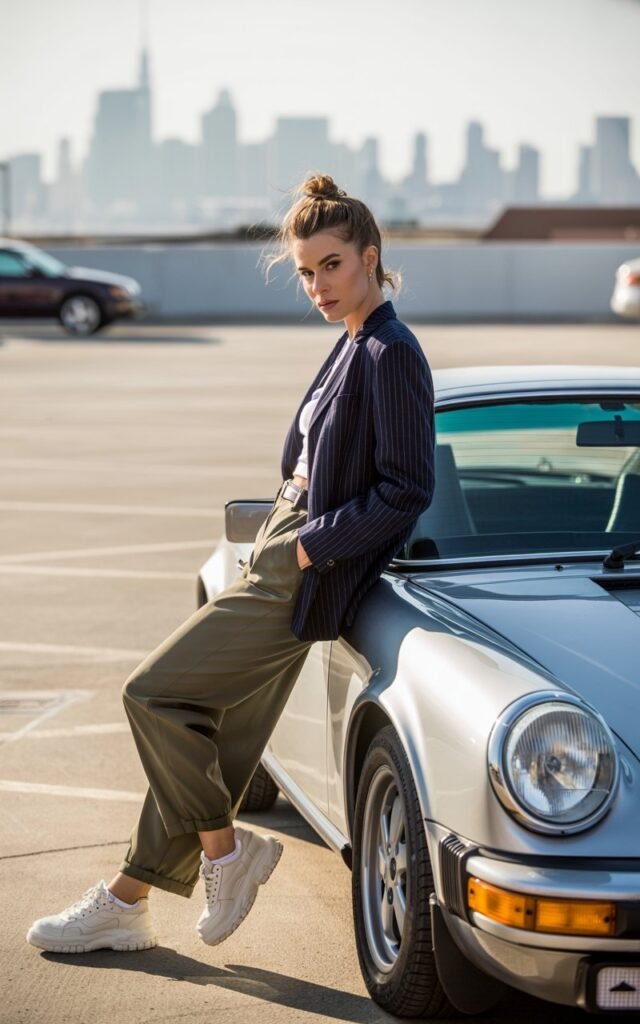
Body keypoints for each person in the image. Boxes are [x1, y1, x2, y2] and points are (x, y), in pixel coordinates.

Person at [27, 173, 435, 954]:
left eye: (332, 266)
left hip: (303, 568)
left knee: (150, 694)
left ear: (371, 258)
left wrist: (311, 545)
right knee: (208, 743)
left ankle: (227, 850)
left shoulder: (391, 352)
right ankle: (127, 900)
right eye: (306, 271)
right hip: (286, 551)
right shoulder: (349, 342)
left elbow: (407, 489)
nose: (317, 284)